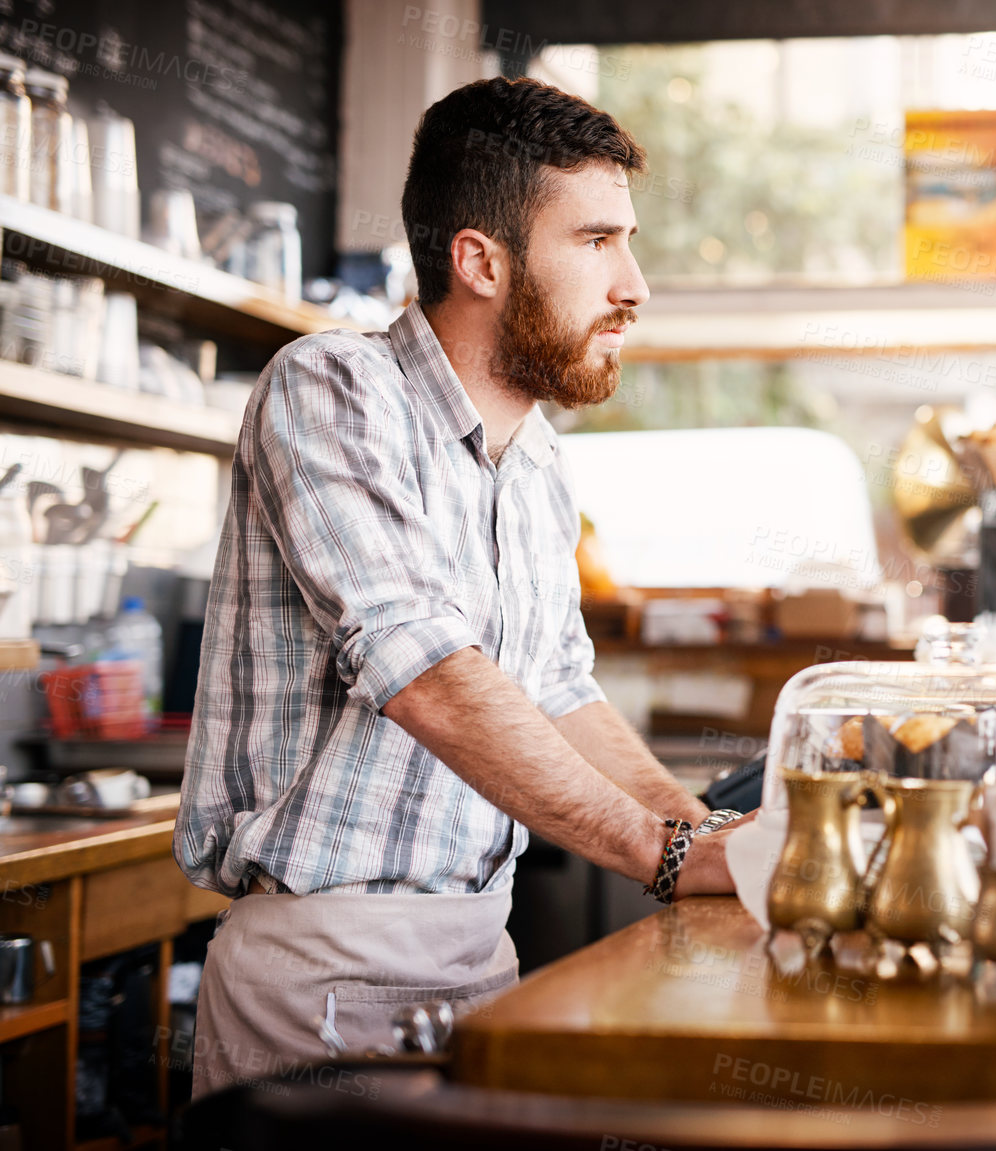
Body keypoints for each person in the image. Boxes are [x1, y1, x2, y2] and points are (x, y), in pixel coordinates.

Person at [174, 76, 743, 1098]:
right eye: (595, 241)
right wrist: (660, 854)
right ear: (479, 259)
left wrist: (704, 836)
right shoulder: (332, 389)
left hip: (485, 954)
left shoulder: (537, 463)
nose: (635, 283)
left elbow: (558, 687)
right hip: (329, 973)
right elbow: (423, 667)